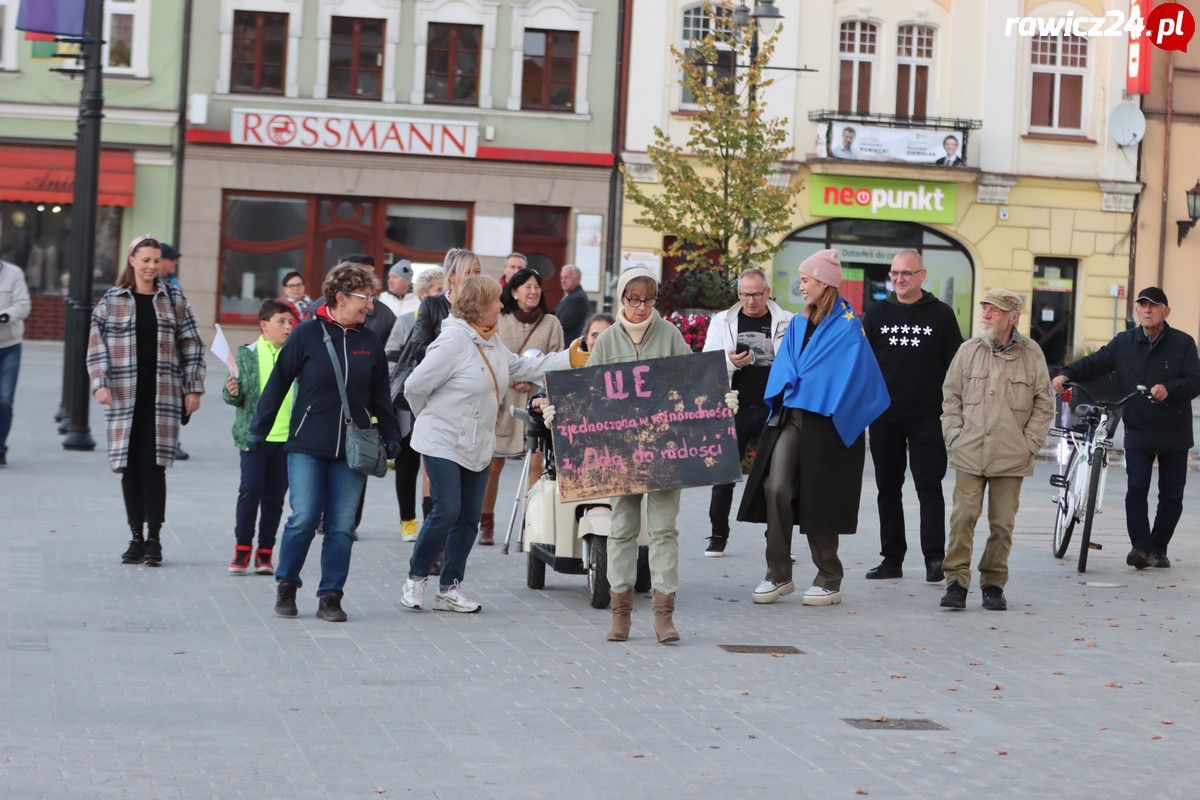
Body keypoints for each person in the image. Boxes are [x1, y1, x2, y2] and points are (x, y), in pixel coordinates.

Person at [549, 265, 719, 644]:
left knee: (663, 531)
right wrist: (560, 412)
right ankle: (620, 613)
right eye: (634, 299)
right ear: (622, 297)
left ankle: (663, 615)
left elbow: (690, 384)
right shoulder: (607, 340)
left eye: (648, 299)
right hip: (621, 450)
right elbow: (590, 393)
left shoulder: (671, 334)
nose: (642, 307)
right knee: (621, 529)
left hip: (664, 448)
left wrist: (719, 401)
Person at [400, 275, 570, 614]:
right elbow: (413, 386)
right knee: (446, 510)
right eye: (495, 301)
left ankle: (449, 588)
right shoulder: (451, 342)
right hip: (442, 440)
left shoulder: (491, 341)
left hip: (479, 442)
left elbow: (526, 366)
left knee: (468, 520)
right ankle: (416, 578)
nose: (501, 305)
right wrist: (433, 418)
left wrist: (573, 358)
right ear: (477, 308)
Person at [249, 262, 401, 623]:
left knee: (341, 525)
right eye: (365, 298)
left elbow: (381, 394)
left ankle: (330, 596)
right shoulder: (305, 334)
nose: (371, 306)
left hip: (353, 447)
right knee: (303, 518)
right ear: (340, 296)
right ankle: (287, 585)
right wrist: (259, 429)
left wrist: (393, 434)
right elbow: (279, 384)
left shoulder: (369, 340)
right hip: (307, 443)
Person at [738, 250, 889, 608]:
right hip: (792, 415)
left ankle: (828, 577)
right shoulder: (800, 321)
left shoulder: (848, 325)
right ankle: (778, 572)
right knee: (775, 486)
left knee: (820, 494)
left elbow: (854, 374)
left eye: (806, 280)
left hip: (829, 420)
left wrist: (813, 383)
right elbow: (788, 360)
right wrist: (792, 379)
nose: (801, 286)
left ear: (824, 282)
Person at [1051, 287, 1200, 570]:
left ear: (1166, 312)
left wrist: (1170, 389)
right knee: (1137, 488)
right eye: (1142, 305)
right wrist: (1067, 373)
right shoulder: (1124, 342)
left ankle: (1159, 548)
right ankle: (1140, 548)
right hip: (1139, 427)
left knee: (1172, 495)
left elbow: (1196, 380)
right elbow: (1096, 362)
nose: (1146, 310)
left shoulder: (1183, 343)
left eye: (1153, 306)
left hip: (1175, 430)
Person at [87, 235, 206, 566]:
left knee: (154, 467)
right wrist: (100, 384)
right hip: (124, 397)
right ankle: (135, 537)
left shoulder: (174, 299)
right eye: (146, 260)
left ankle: (154, 538)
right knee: (129, 468)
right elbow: (97, 347)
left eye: (156, 260)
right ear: (132, 260)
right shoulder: (111, 301)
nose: (152, 266)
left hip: (163, 396)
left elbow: (192, 344)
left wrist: (193, 388)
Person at [941, 288, 1054, 611]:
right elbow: (951, 398)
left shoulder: (1032, 354)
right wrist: (955, 436)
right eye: (985, 308)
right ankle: (956, 582)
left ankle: (993, 583)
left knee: (1002, 524)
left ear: (1013, 317)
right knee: (963, 518)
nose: (986, 314)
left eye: (994, 310)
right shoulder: (968, 351)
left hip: (1011, 455)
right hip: (970, 451)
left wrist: (1029, 444)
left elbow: (1044, 405)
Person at [861, 250, 964, 582]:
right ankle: (892, 558)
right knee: (887, 488)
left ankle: (935, 558)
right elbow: (862, 364)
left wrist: (958, 410)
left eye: (906, 273)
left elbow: (957, 367)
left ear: (922, 275)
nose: (899, 279)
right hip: (884, 417)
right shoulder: (876, 313)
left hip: (928, 416)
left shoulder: (942, 315)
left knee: (928, 487)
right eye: (894, 274)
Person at [700, 268, 792, 556]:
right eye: (744, 294)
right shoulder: (723, 321)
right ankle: (717, 536)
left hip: (772, 407)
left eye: (755, 294)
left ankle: (777, 543)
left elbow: (796, 363)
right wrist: (729, 362)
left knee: (778, 479)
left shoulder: (787, 321)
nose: (750, 300)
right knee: (724, 475)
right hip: (734, 407)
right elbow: (707, 363)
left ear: (767, 292)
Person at [478, 268, 564, 545]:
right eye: (526, 286)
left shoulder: (551, 323)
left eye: (537, 286)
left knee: (537, 464)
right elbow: (491, 358)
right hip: (504, 402)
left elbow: (557, 362)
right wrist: (514, 379)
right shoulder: (500, 321)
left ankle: (532, 522)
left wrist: (534, 383)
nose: (533, 291)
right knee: (494, 464)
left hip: (536, 402)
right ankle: (486, 521)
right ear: (513, 292)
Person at [222, 299, 296, 575]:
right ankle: (242, 549)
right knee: (250, 490)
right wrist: (231, 391)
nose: (288, 327)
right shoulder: (247, 354)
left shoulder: (296, 354)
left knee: (275, 497)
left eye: (290, 322)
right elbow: (234, 395)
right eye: (282, 321)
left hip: (287, 439)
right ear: (264, 326)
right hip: (253, 438)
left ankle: (265, 552)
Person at [384, 266, 446, 542]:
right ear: (423, 295)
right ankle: (407, 520)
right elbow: (391, 359)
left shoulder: (451, 323)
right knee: (407, 464)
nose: (443, 296)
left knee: (433, 467)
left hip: (438, 403)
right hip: (409, 405)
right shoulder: (406, 321)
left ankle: (433, 521)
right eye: (438, 291)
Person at [0, 259, 32, 468]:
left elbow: (23, 305)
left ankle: (0, 448)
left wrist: (4, 316)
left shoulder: (13, 272)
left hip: (9, 346)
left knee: (4, 400)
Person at [554, 264, 590, 343]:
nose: (563, 281)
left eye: (567, 277)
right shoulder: (571, 296)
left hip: (568, 346)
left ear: (578, 279)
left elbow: (564, 324)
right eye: (561, 278)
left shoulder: (578, 298)